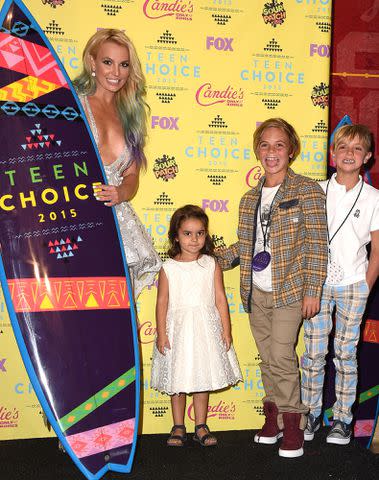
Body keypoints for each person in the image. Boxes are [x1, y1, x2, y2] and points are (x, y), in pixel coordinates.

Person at [216, 118, 328, 458]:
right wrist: (215, 258)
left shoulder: (307, 189)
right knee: (267, 358)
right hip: (255, 291)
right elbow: (248, 244)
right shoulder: (249, 199)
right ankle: (274, 418)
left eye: (279, 145)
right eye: (265, 145)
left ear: (291, 150)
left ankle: (294, 423)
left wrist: (313, 289)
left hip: (290, 290)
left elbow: (317, 243)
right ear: (257, 151)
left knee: (281, 355)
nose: (272, 152)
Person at [301, 124, 379, 445]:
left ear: (368, 157)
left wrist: (366, 284)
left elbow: (377, 250)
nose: (349, 154)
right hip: (318, 285)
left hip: (353, 284)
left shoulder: (374, 198)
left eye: (357, 149)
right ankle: (310, 413)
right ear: (332, 155)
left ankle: (343, 419)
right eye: (343, 148)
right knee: (313, 353)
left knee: (345, 354)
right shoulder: (316, 191)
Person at [73, 29, 161, 299]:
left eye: (124, 64)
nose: (116, 72)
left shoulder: (131, 115)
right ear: (92, 63)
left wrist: (121, 192)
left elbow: (132, 176)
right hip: (77, 217)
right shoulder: (73, 104)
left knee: (122, 315)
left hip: (118, 224)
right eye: (107, 62)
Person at [151, 205, 242, 447]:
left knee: (203, 378)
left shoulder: (211, 264)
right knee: (177, 380)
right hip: (177, 330)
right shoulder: (168, 268)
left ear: (206, 235)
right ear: (176, 236)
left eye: (200, 233)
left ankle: (200, 425)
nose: (194, 239)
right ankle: (178, 425)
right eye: (187, 234)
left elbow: (220, 298)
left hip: (205, 329)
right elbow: (162, 302)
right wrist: (162, 334)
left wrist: (226, 329)